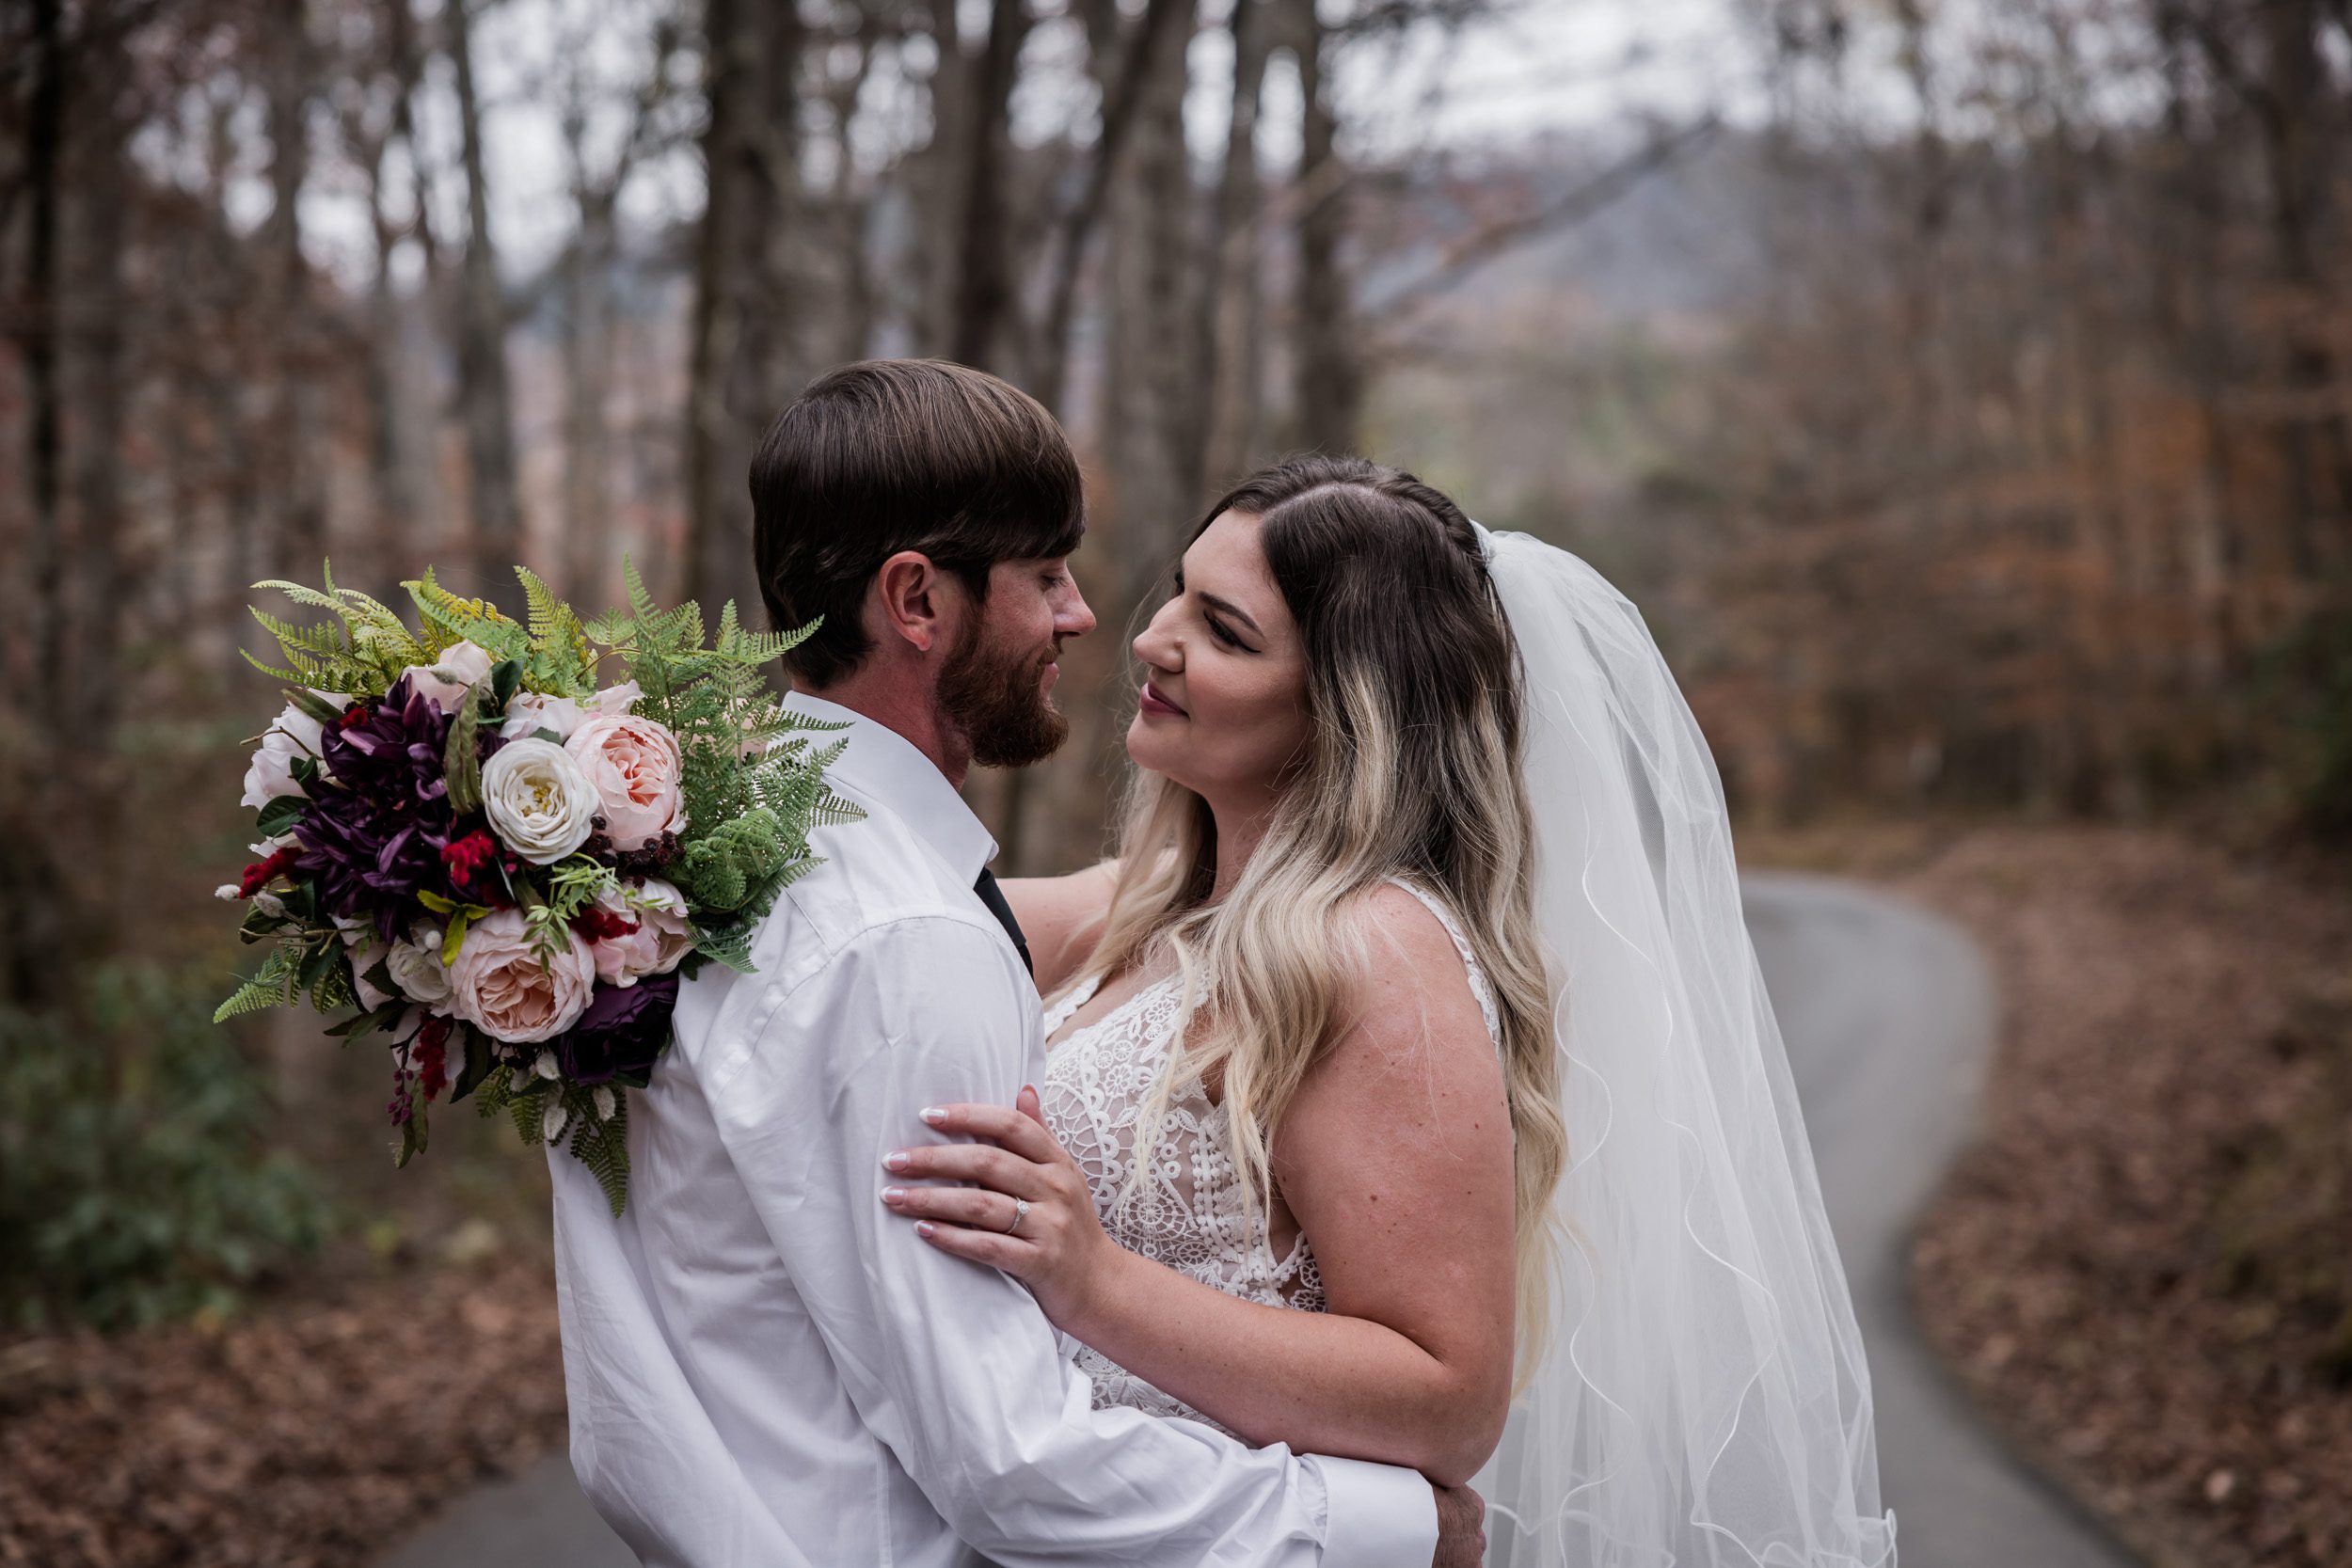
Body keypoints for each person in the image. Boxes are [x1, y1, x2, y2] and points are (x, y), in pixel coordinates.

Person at [545, 364, 1486, 1568]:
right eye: (1045, 574)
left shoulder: (671, 874)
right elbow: (1010, 1462)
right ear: (918, 602)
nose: (1107, 621)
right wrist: (1390, 1525)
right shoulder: (898, 936)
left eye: (1224, 623)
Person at [883, 454, 1900, 1567]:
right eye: (1179, 591)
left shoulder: (1377, 953)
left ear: (1345, 711)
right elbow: (881, 920)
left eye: (1224, 631)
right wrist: (672, 830)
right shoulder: (1151, 900)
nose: (1150, 637)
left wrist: (1095, 1280)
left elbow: (1447, 1398)